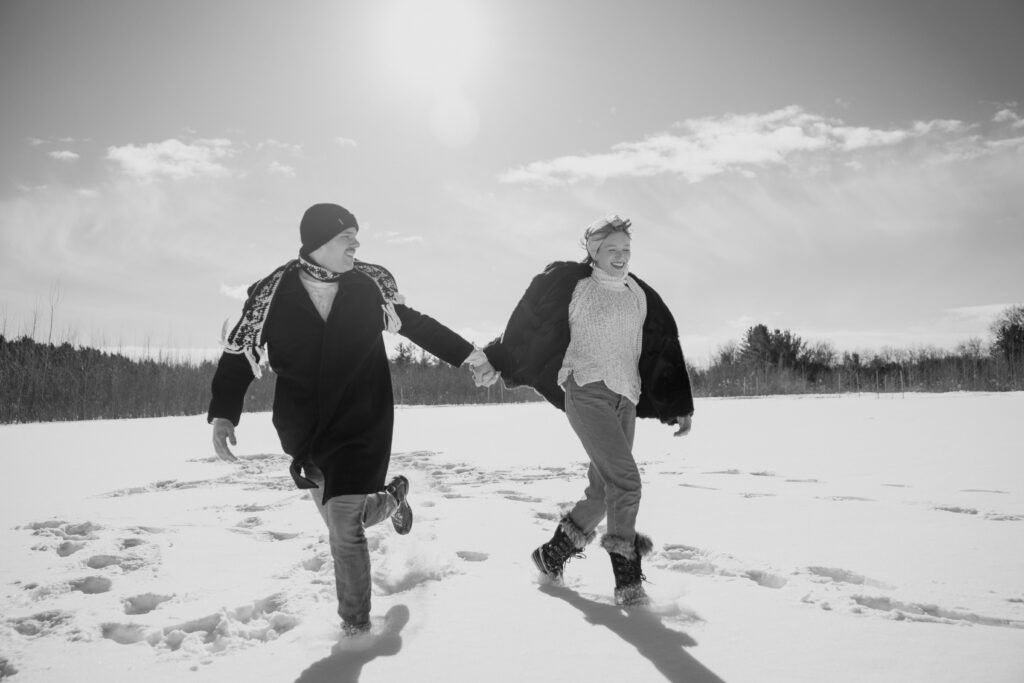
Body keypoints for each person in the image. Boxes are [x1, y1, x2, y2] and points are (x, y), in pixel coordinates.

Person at [208, 203, 490, 635]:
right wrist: (224, 415)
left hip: (362, 419)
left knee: (343, 526)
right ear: (320, 242)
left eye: (357, 237)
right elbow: (237, 359)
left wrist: (469, 356)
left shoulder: (368, 288)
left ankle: (356, 629)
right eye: (347, 238)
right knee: (349, 519)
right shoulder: (272, 295)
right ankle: (394, 497)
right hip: (305, 427)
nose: (356, 245)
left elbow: (418, 327)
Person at [475, 214, 694, 606]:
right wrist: (498, 357)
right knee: (626, 483)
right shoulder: (572, 285)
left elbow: (663, 348)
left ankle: (550, 556)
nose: (621, 256)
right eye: (612, 249)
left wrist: (676, 403)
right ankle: (628, 585)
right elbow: (528, 326)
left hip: (626, 396)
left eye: (626, 249)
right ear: (593, 250)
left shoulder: (639, 294)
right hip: (585, 391)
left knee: (602, 491)